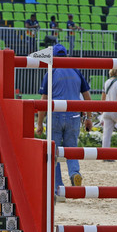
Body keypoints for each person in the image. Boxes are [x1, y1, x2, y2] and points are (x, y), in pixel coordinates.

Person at [36, 43, 93, 192]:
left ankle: (58, 187)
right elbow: (87, 96)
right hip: (74, 115)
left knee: (54, 152)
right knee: (71, 148)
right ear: (66, 55)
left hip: (55, 115)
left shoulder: (51, 71)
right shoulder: (76, 70)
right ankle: (75, 173)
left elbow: (44, 99)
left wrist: (40, 123)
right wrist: (88, 117)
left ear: (53, 57)